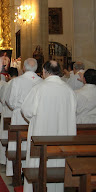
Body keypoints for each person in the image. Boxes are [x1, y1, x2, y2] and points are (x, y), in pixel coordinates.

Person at [21, 60, 77, 192]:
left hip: (42, 136)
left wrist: (37, 120)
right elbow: (74, 111)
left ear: (44, 72)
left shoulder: (38, 89)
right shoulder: (69, 90)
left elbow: (26, 111)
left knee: (39, 164)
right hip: (63, 138)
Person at [5, 58, 42, 176]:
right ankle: (32, 168)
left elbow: (11, 101)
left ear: (24, 68)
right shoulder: (42, 81)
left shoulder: (17, 81)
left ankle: (16, 170)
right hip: (36, 116)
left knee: (18, 142)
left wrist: (17, 107)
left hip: (19, 114)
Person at [0, 67, 18, 165]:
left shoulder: (7, 85)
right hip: (19, 115)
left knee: (6, 134)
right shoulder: (21, 83)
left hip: (8, 112)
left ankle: (3, 159)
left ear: (8, 76)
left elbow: (1, 97)